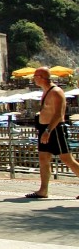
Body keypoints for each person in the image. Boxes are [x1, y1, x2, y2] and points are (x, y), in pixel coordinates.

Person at [26, 66, 79, 198]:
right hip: (45, 129)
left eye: (35, 76)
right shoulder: (45, 91)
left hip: (55, 129)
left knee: (67, 159)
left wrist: (48, 130)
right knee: (43, 158)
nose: (33, 79)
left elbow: (59, 114)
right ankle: (43, 190)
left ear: (41, 78)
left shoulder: (56, 92)